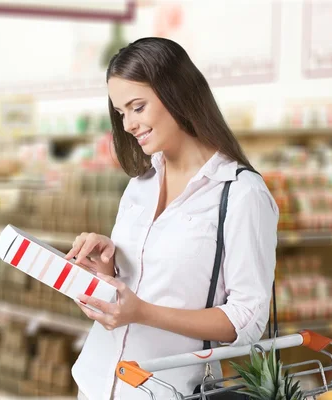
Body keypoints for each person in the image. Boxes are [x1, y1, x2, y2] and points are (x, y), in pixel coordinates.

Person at [66, 37, 278, 399]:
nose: (129, 124)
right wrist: (106, 275)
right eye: (120, 113)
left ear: (175, 92)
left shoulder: (241, 193)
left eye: (137, 107)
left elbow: (247, 319)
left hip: (166, 390)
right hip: (93, 383)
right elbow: (136, 287)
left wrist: (142, 312)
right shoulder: (140, 185)